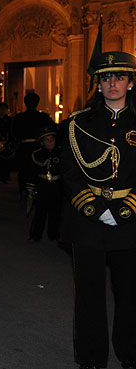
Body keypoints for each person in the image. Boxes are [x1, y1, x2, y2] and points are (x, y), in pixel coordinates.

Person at [61, 51, 136, 369]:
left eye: (119, 77)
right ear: (98, 84)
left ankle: (131, 352)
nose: (113, 83)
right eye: (106, 78)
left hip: (131, 220)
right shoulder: (78, 124)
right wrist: (93, 208)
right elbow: (69, 172)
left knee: (131, 294)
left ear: (131, 83)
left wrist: (125, 208)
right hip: (88, 221)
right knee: (89, 295)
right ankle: (91, 358)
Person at [11, 92, 54, 194]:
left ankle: (23, 191)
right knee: (37, 170)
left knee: (23, 171)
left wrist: (17, 143)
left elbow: (13, 133)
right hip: (38, 147)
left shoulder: (19, 117)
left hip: (24, 147)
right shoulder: (43, 117)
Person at [26, 125, 62, 241]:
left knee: (55, 211)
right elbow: (32, 172)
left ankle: (54, 233)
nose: (50, 142)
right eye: (47, 140)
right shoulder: (37, 154)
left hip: (56, 185)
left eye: (52, 139)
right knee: (40, 212)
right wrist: (31, 187)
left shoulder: (61, 153)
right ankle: (36, 235)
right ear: (42, 143)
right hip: (43, 185)